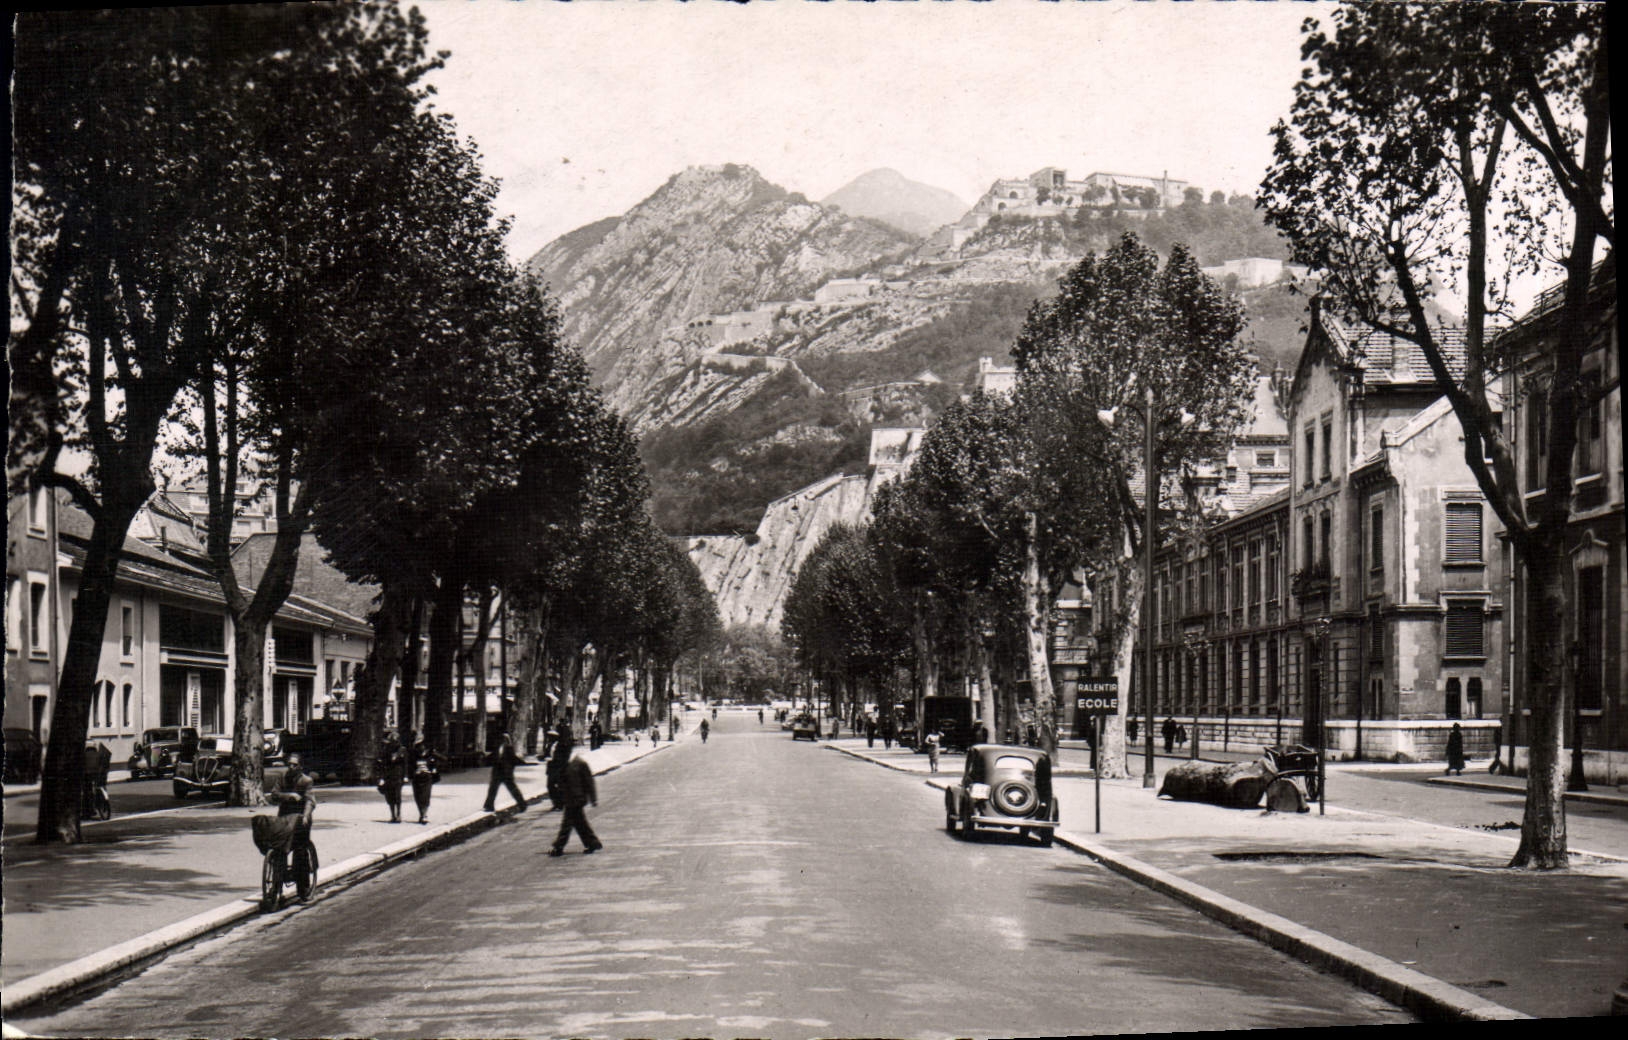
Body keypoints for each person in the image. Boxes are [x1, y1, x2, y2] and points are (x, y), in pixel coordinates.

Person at [548, 747, 602, 856]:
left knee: (567, 823)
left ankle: (559, 846)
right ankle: (592, 843)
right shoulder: (565, 764)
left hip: (578, 798)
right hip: (569, 798)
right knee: (579, 822)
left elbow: (589, 782)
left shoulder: (580, 763)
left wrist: (593, 798)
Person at [483, 732, 527, 813]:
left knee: (513, 789)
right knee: (493, 789)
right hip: (497, 772)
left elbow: (513, 759)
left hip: (506, 773)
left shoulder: (509, 748)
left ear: (507, 740)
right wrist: (484, 759)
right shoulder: (498, 747)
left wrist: (522, 763)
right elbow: (493, 756)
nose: (502, 740)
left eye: (504, 739)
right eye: (501, 739)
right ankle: (489, 806)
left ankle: (522, 804)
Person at [406, 732, 440, 825]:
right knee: (417, 796)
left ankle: (424, 815)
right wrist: (410, 775)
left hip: (427, 776)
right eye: (419, 745)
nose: (421, 747)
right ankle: (421, 814)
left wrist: (433, 769)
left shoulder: (430, 752)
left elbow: (438, 760)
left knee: (425, 796)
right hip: (417, 777)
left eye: (422, 745)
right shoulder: (412, 752)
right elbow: (409, 765)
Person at [376, 730, 406, 823]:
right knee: (389, 796)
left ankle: (398, 814)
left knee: (397, 795)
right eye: (392, 740)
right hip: (388, 775)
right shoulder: (386, 750)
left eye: (395, 740)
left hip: (398, 775)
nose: (393, 742)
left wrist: (405, 776)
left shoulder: (402, 750)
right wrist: (381, 777)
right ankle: (392, 815)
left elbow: (405, 764)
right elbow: (382, 764)